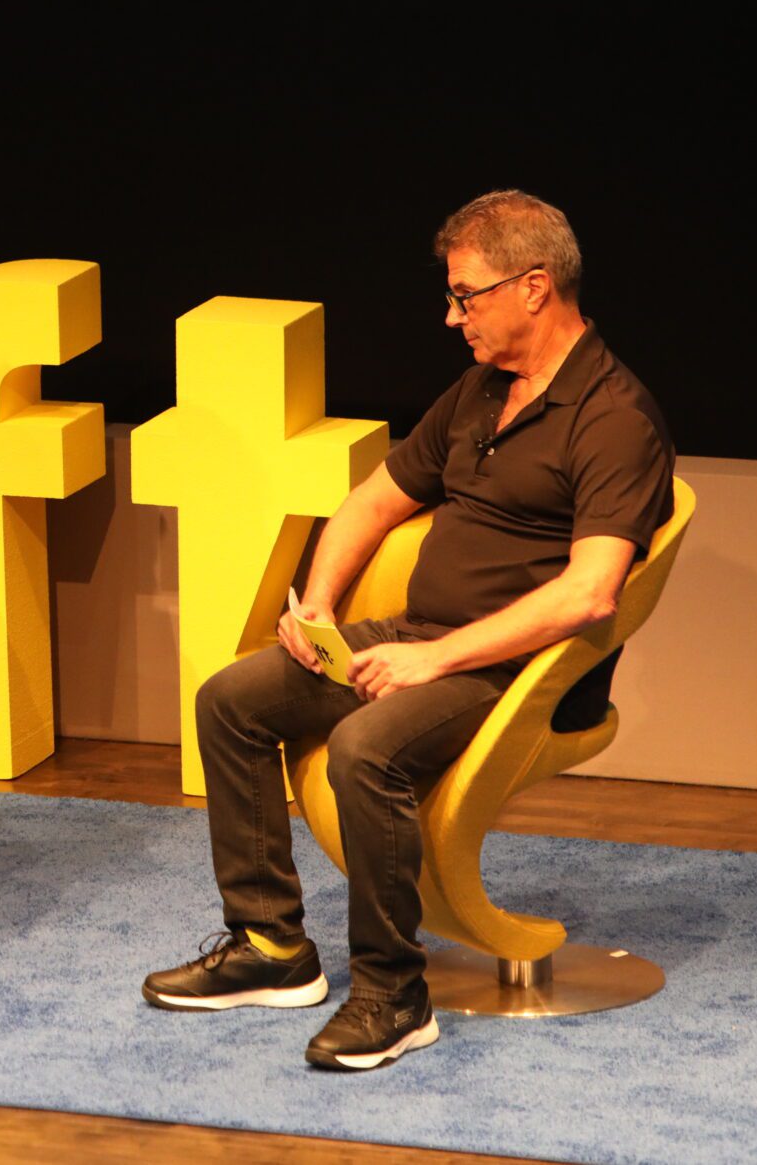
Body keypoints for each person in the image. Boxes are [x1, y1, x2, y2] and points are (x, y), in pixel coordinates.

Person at [141, 190, 674, 1070]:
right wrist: (316, 604)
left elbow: (588, 595)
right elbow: (373, 499)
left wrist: (433, 659)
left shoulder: (616, 418)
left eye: (467, 295)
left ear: (534, 288)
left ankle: (394, 994)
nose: (451, 314)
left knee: (365, 746)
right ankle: (272, 946)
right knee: (231, 700)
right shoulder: (479, 392)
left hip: (518, 671)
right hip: (422, 634)